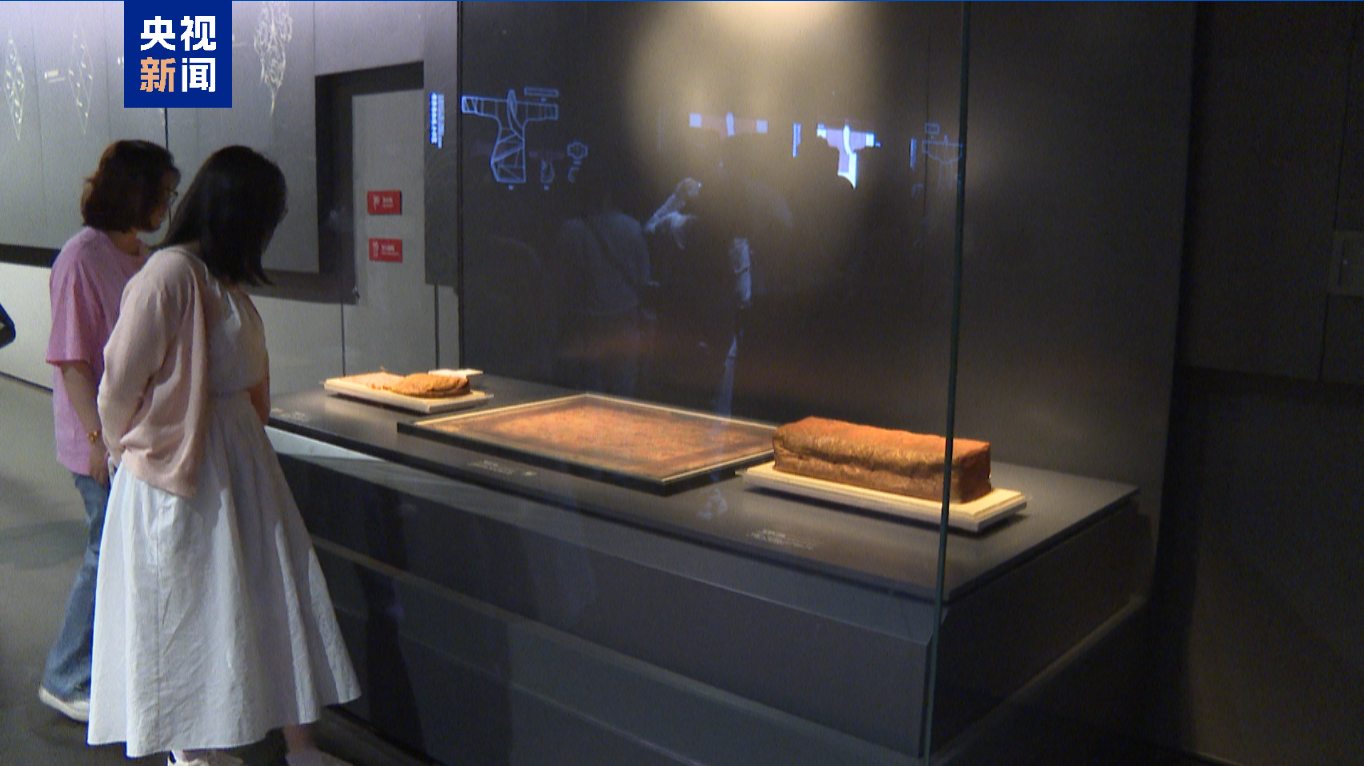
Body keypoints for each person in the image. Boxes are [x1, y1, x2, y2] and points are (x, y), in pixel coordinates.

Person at [90, 146, 360, 766]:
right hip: (180, 468)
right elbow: (119, 383)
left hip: (237, 457)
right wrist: (125, 450)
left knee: (266, 593)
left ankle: (298, 745)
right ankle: (192, 752)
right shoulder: (169, 276)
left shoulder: (218, 278)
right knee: (189, 606)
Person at [41, 139, 180, 723]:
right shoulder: (81, 257)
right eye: (162, 194)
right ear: (135, 193)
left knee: (127, 554)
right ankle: (65, 674)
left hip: (138, 437)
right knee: (105, 553)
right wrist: (98, 442)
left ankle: (112, 665)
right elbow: (72, 362)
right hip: (98, 440)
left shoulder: (145, 257)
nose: (168, 205)